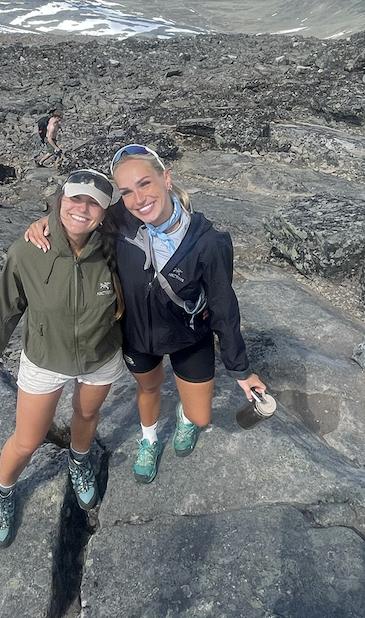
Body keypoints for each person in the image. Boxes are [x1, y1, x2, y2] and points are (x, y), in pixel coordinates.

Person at [26, 144, 266, 485]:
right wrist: (47, 223)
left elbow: (224, 307)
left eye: (145, 184)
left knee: (200, 416)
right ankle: (149, 440)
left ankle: (185, 417)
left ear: (166, 179)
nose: (138, 199)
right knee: (148, 389)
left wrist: (241, 370)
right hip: (138, 337)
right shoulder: (119, 223)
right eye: (126, 192)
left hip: (189, 338)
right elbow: (80, 216)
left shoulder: (208, 242)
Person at [0, 169, 124, 548]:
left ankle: (79, 459)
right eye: (74, 198)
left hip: (100, 356)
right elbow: (5, 308)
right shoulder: (27, 251)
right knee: (27, 441)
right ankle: (4, 491)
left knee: (86, 414)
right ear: (59, 201)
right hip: (44, 358)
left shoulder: (119, 248)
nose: (82, 209)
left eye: (93, 203)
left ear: (105, 213)